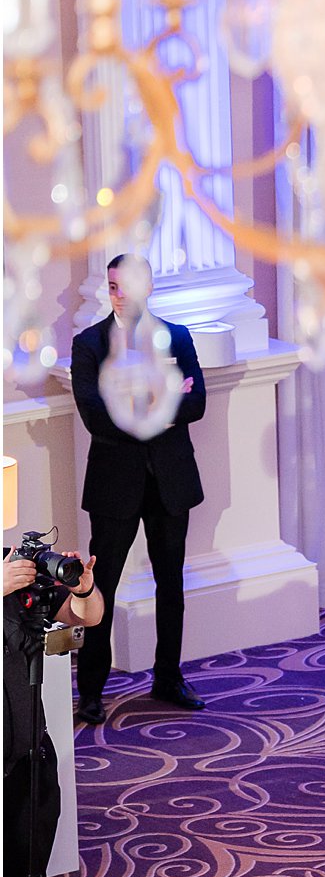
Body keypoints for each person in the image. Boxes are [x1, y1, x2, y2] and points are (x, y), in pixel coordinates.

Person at [70, 253, 207, 724]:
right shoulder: (88, 344)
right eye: (112, 286)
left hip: (169, 478)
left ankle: (168, 677)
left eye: (127, 285)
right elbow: (95, 416)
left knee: (172, 584)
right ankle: (91, 689)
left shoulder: (178, 337)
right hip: (115, 484)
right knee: (98, 587)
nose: (120, 294)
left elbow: (197, 402)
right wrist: (162, 405)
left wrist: (140, 405)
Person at [4, 544, 105, 877]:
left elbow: (88, 616)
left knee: (28, 868)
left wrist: (82, 586)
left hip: (25, 742)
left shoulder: (16, 568)